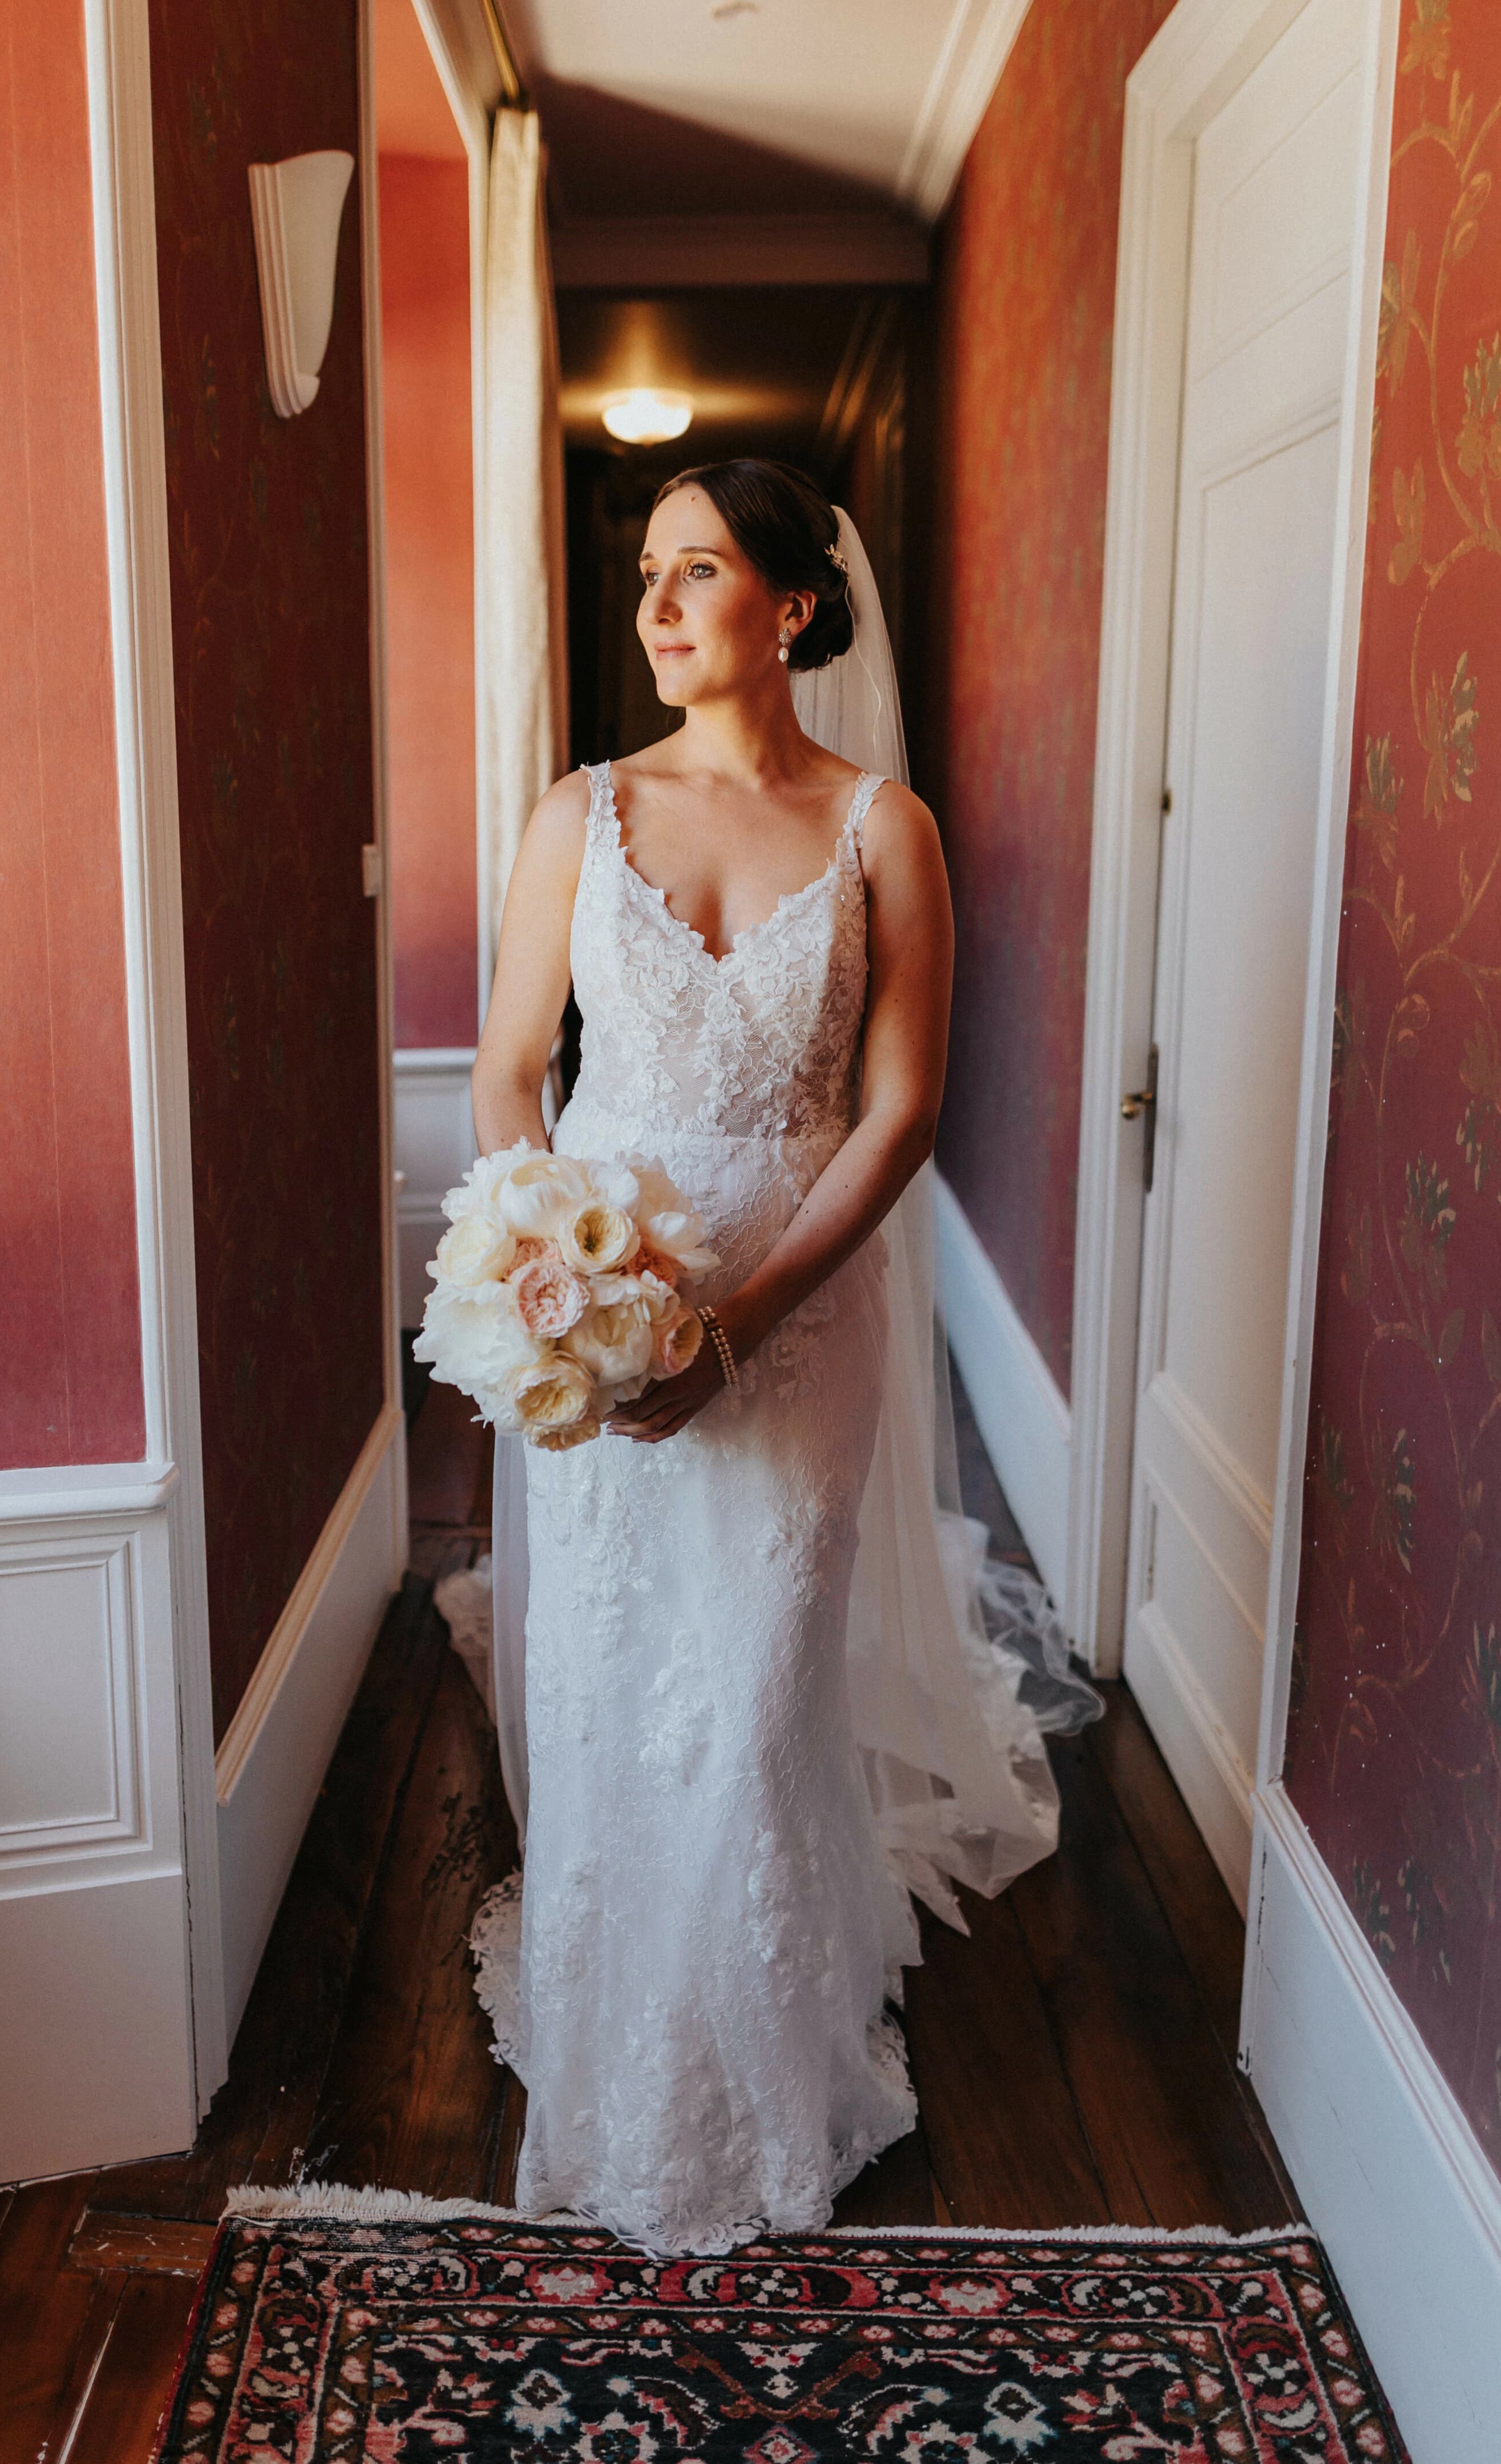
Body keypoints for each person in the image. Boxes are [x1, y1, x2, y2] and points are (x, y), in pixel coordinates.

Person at [457, 458, 1095, 2257]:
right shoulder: (577, 816)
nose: (656, 606)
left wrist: (734, 1325)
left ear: (794, 607)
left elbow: (894, 1118)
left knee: (745, 1701)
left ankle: (752, 2073)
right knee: (605, 1687)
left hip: (802, 1326)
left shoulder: (884, 829)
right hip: (598, 1312)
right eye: (646, 574)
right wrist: (542, 1269)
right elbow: (514, 1061)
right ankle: (609, 2055)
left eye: (700, 569)